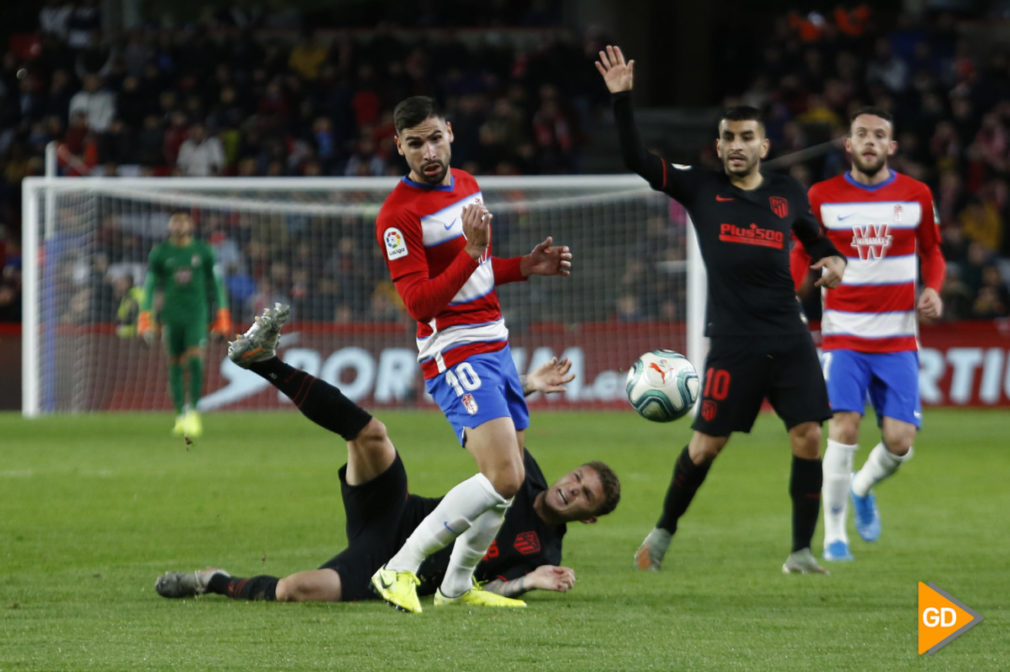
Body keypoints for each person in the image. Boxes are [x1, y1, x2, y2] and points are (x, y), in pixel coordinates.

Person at [155, 304, 621, 607]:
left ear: (589, 517)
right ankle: (263, 360)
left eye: (585, 496)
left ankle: (210, 580)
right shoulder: (526, 474)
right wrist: (530, 386)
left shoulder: (544, 550)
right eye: (578, 477)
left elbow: (488, 589)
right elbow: (499, 420)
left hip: (396, 572)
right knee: (371, 435)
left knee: (296, 590)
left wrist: (529, 583)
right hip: (397, 512)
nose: (572, 488)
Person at [595, 45, 847, 575]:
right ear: (718, 144)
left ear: (764, 145)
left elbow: (819, 242)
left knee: (808, 436)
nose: (737, 146)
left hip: (789, 336)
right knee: (706, 446)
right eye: (728, 137)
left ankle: (801, 552)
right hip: (733, 341)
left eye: (746, 137)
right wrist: (622, 101)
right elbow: (637, 162)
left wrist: (834, 262)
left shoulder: (788, 195)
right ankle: (662, 534)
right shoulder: (700, 186)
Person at [371, 96, 573, 611]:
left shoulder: (466, 184)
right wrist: (472, 252)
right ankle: (398, 568)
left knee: (508, 483)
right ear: (399, 147)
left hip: (496, 341)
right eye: (414, 143)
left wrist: (521, 268)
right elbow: (418, 303)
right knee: (504, 476)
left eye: (434, 138)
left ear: (451, 133)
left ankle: (457, 586)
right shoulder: (398, 216)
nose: (427, 151)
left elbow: (476, 271)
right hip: (454, 350)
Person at [790, 108, 946, 562]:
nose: (871, 142)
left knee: (900, 442)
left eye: (880, 136)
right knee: (843, 427)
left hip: (898, 339)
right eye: (862, 134)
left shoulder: (916, 194)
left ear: (891, 147)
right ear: (849, 144)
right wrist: (790, 294)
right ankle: (834, 536)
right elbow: (802, 252)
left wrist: (933, 288)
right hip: (844, 338)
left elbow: (933, 250)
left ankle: (861, 487)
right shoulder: (822, 196)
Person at [137, 212, 232, 439]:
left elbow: (216, 284)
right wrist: (145, 317)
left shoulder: (203, 251)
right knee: (175, 364)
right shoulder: (160, 253)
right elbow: (150, 286)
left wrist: (222, 315)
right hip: (171, 317)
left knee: (196, 360)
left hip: (196, 316)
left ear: (190, 225)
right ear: (170, 226)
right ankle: (180, 414)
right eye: (175, 221)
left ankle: (194, 412)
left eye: (183, 221)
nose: (179, 225)